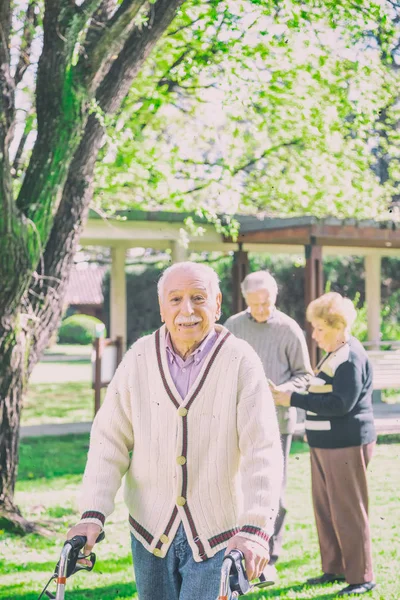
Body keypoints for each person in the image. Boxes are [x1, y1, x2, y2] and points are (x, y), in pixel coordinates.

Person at [67, 261, 283, 600]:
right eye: (176, 299)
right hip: (150, 533)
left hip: (219, 536)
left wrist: (256, 528)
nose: (187, 310)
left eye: (198, 298)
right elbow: (109, 441)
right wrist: (92, 513)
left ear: (217, 303)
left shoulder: (241, 361)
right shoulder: (138, 358)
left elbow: (263, 450)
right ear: (161, 307)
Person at [272, 292, 376, 597]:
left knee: (348, 511)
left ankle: (362, 576)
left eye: (319, 328)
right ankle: (334, 569)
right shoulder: (334, 352)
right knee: (326, 509)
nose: (313, 335)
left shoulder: (350, 357)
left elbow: (341, 403)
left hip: (345, 445)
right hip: (324, 445)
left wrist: (292, 398)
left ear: (338, 325)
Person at [224, 270, 312, 578]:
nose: (262, 309)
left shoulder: (289, 329)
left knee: (274, 493)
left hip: (278, 424)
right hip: (236, 422)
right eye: (256, 304)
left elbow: (305, 375)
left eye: (268, 303)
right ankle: (236, 554)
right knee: (236, 490)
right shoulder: (232, 327)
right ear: (245, 299)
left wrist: (285, 391)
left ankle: (269, 559)